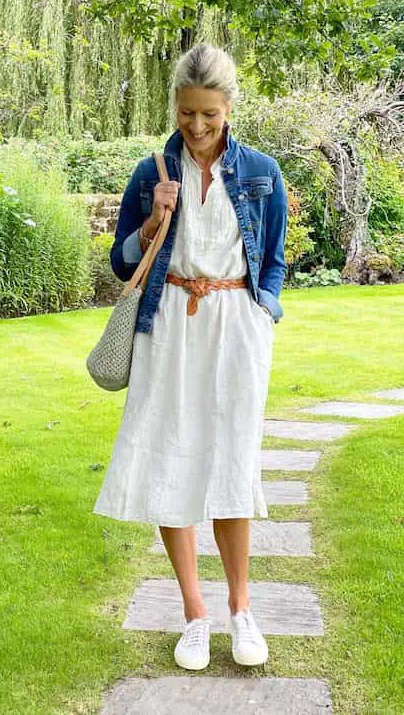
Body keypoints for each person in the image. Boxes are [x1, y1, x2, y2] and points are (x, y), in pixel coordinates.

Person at [92, 43, 288, 671]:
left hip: (236, 328)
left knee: (232, 460)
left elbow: (276, 257)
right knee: (170, 460)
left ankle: (241, 610)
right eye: (186, 114)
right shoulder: (151, 172)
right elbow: (122, 261)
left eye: (209, 113)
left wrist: (265, 312)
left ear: (229, 106)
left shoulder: (262, 171)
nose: (198, 127)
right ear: (174, 107)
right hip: (168, 325)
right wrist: (152, 223)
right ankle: (195, 616)